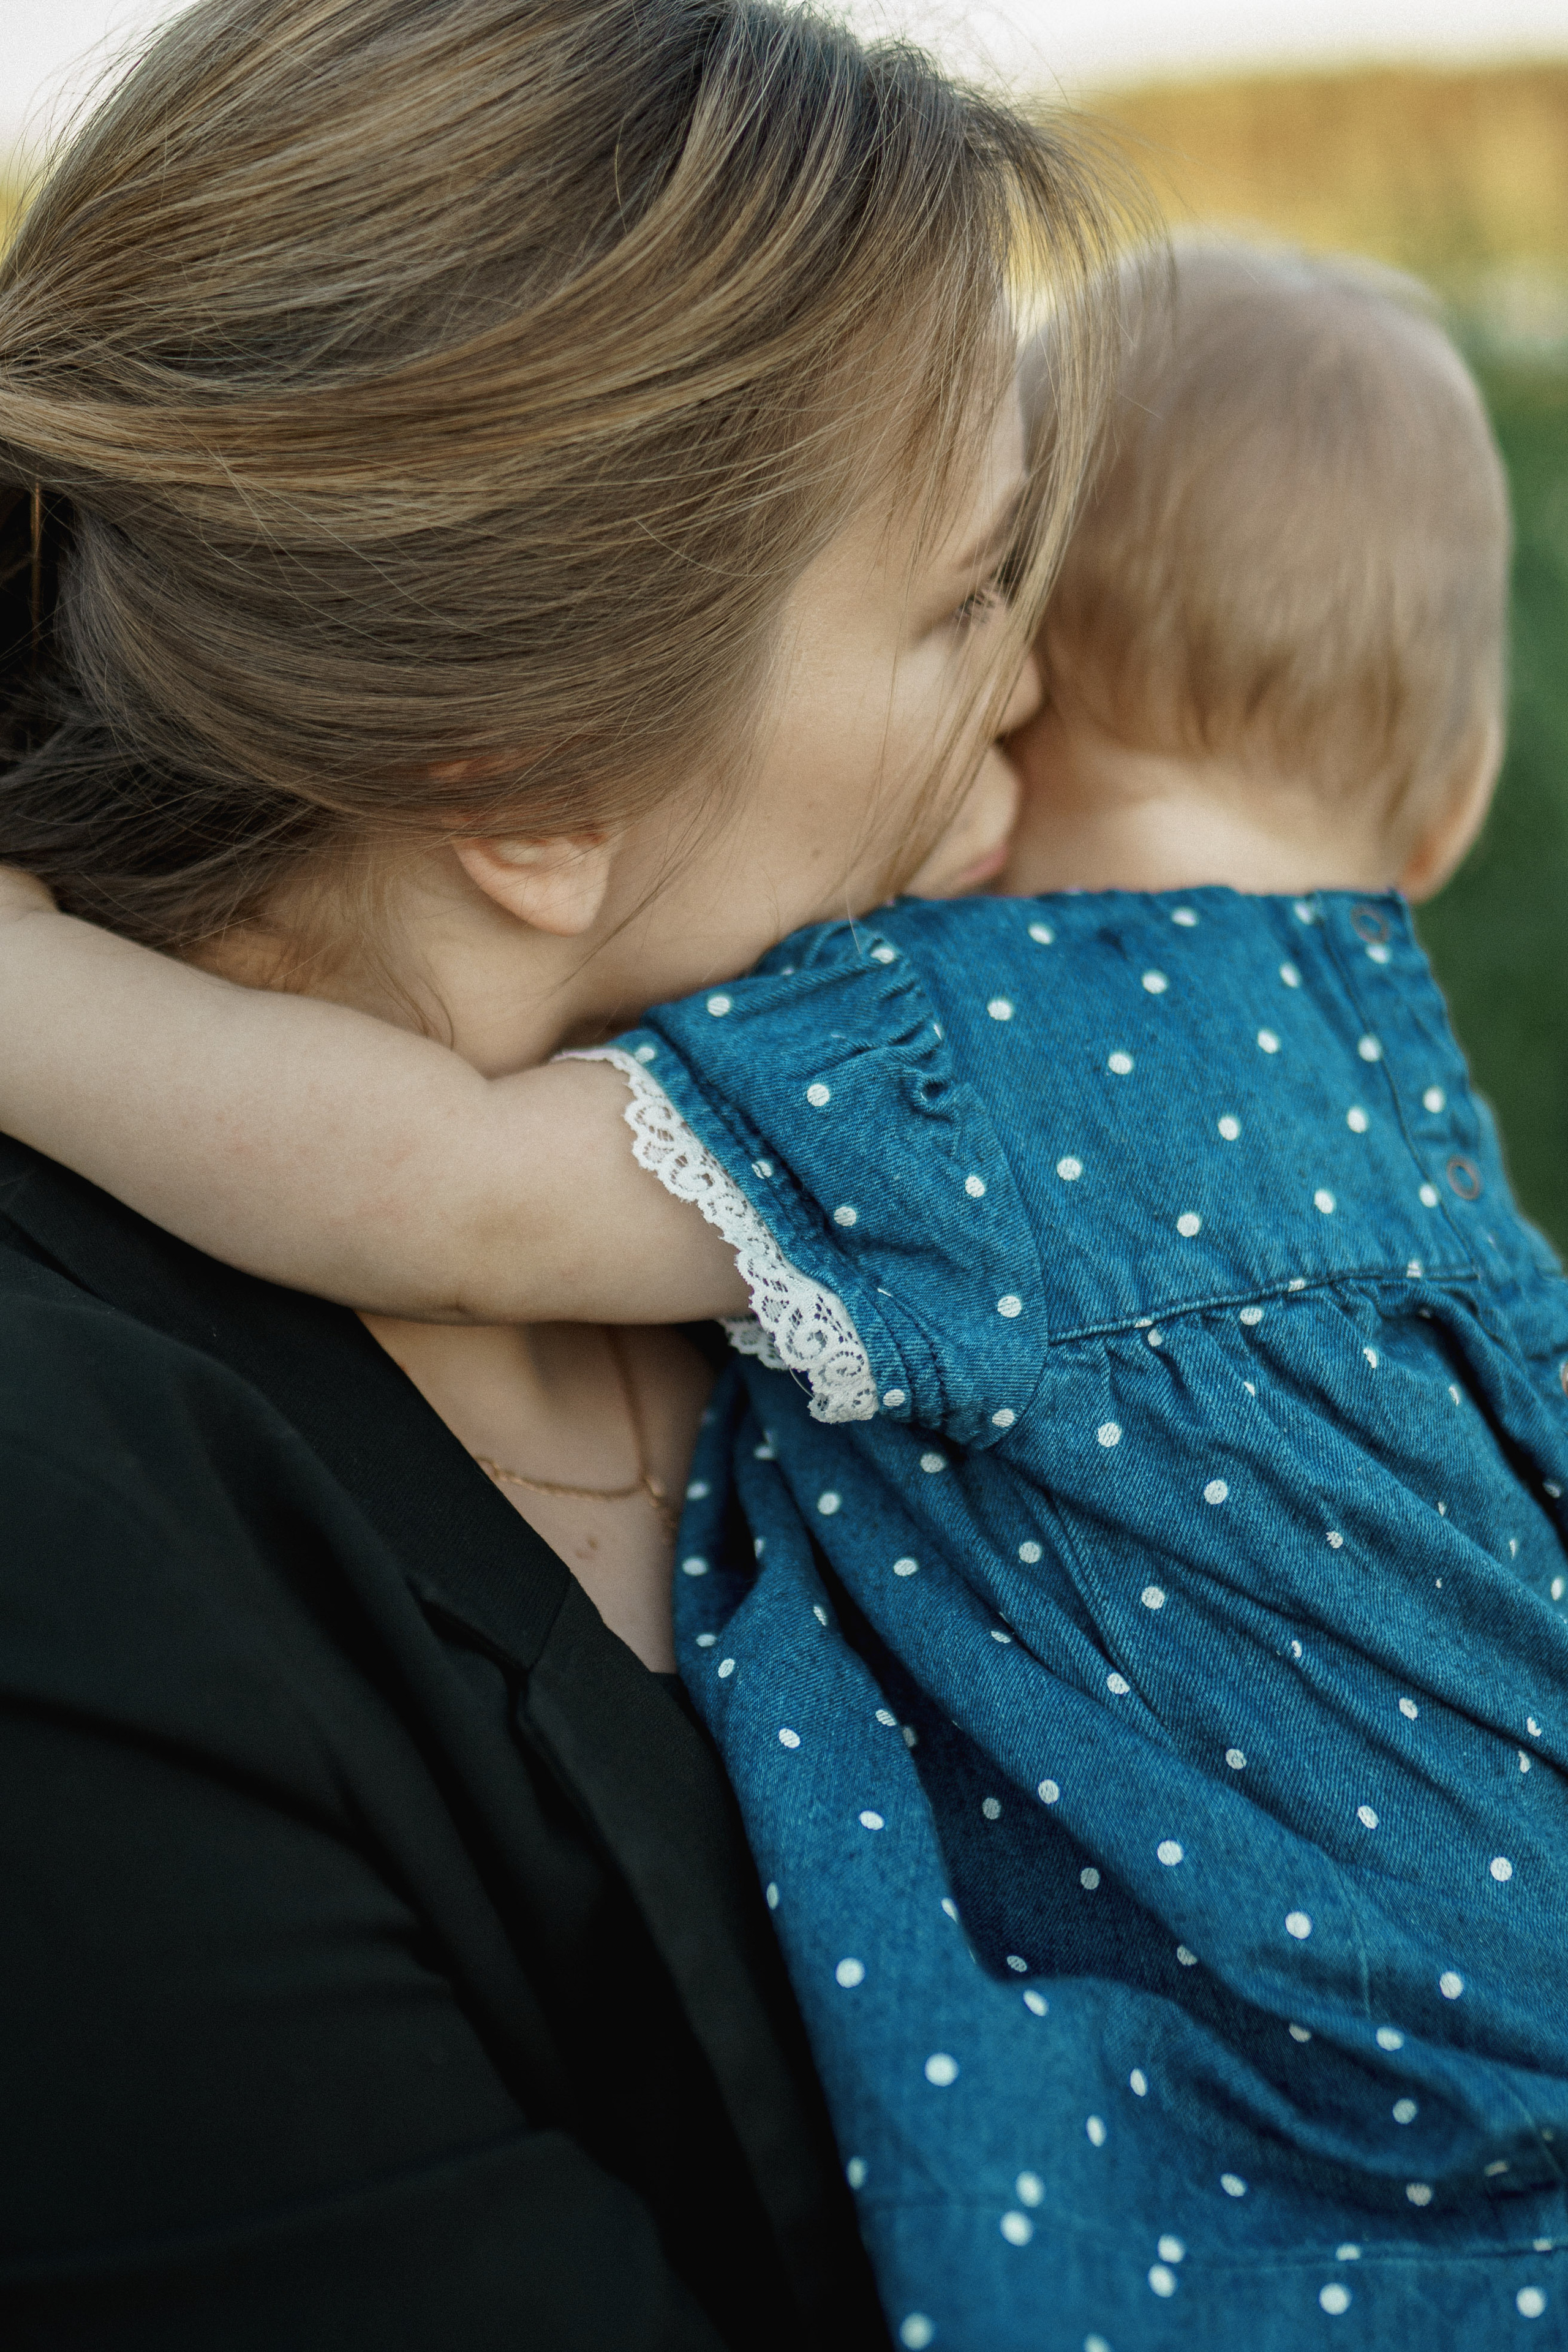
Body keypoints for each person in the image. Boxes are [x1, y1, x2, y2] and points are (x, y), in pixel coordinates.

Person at [7, 239, 1563, 2348]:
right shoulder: (1414, 1124)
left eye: (1018, 613)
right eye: (955, 611)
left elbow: (434, 1187)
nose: (1003, 689)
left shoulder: (950, 1065)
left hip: (1295, 2179)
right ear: (1457, 799)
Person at [0, 2, 1126, 2343]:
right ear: (526, 790)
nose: (1036, 685)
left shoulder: (861, 1123)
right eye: (959, 603)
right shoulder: (63, 1549)